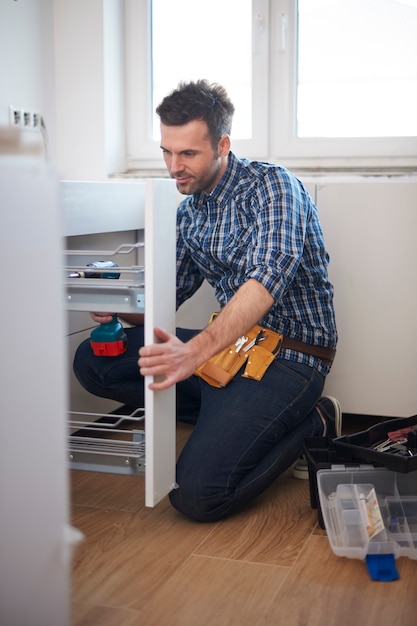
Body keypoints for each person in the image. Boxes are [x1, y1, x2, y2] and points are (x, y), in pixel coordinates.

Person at [73, 79, 340, 522]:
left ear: (223, 145)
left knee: (197, 496)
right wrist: (114, 304)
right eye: (167, 151)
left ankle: (316, 421)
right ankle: (229, 417)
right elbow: (167, 293)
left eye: (188, 154)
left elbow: (263, 285)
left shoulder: (274, 188)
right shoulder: (190, 211)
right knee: (95, 360)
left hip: (292, 357)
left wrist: (192, 352)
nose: (174, 166)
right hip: (230, 352)